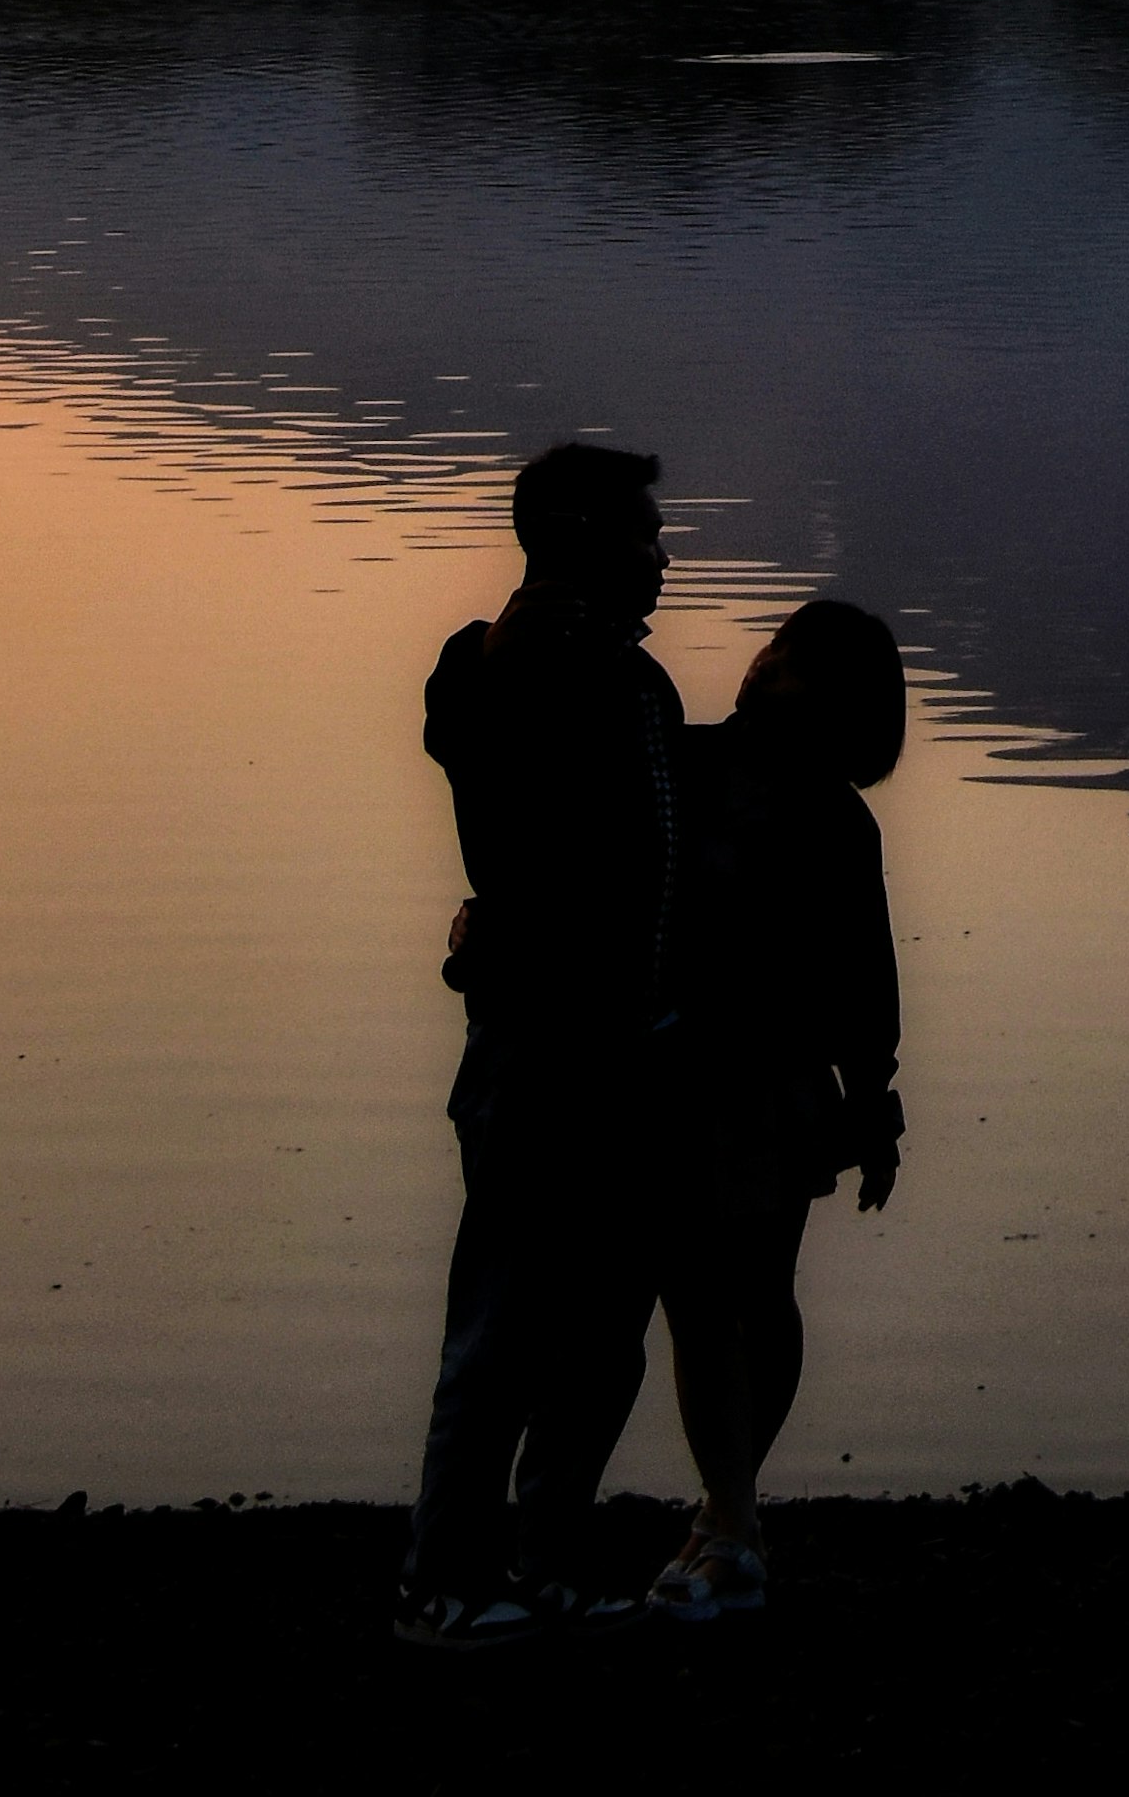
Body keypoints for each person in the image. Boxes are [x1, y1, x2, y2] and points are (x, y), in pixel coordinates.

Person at [396, 439, 685, 1653]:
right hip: (536, 1052)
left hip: (631, 1052)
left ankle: (545, 1555)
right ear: (572, 536)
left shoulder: (641, 684)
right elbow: (454, 718)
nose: (661, 555)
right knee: (505, 1327)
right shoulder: (494, 667)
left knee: (607, 1327)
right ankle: (444, 1582)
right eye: (639, 534)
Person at [644, 596, 910, 1625]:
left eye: (796, 668)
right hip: (677, 1075)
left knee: (751, 1292)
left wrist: (874, 1098)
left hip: (774, 1086)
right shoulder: (684, 766)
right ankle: (732, 1518)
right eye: (772, 659)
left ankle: (728, 1518)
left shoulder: (839, 822)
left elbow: (864, 980)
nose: (766, 676)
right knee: (702, 1297)